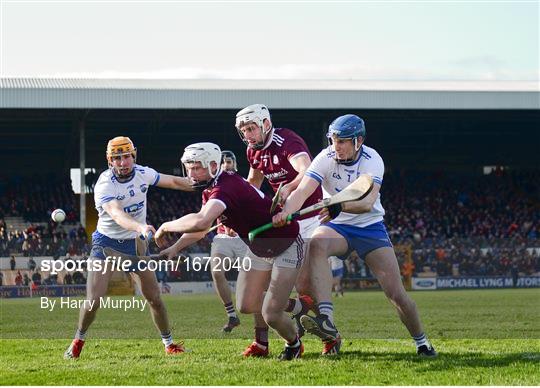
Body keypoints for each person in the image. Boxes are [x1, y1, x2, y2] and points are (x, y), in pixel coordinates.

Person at [273, 114, 437, 357]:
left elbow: (368, 201)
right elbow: (303, 189)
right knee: (317, 243)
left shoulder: (372, 160)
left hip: (369, 226)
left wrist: (340, 206)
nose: (335, 146)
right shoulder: (326, 157)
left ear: (358, 141)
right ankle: (327, 320)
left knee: (396, 294)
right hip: (337, 225)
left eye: (342, 141)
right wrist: (287, 210)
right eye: (333, 140)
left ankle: (422, 342)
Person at [156, 142, 306, 360]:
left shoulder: (225, 186)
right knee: (246, 305)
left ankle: (294, 344)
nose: (191, 174)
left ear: (214, 165)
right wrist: (175, 247)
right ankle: (297, 305)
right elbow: (204, 228)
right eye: (188, 168)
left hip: (286, 242)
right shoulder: (210, 189)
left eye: (197, 168)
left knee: (271, 314)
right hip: (260, 248)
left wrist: (165, 226)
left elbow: (201, 221)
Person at [64, 136, 194, 359]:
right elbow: (116, 214)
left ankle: (169, 344)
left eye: (126, 157)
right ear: (109, 161)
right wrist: (140, 227)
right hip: (106, 245)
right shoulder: (105, 184)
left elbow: (174, 182)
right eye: (117, 158)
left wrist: (209, 183)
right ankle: (78, 340)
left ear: (134, 156)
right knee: (93, 299)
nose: (123, 163)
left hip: (135, 245)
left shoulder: (143, 173)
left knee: (154, 298)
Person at [235, 103, 321, 355]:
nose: (248, 135)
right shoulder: (253, 151)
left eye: (251, 128)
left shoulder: (288, 141)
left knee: (305, 285)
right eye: (244, 131)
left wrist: (288, 186)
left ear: (265, 124)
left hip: (309, 216)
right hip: (281, 219)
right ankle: (262, 342)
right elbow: (254, 182)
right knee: (259, 285)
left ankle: (329, 333)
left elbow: (308, 170)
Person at [207, 150, 244, 332]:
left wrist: (236, 225)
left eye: (230, 162)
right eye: (224, 163)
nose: (227, 165)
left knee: (258, 282)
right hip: (222, 237)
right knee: (217, 271)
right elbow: (207, 215)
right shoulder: (208, 189)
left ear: (234, 164)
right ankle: (231, 315)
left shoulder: (240, 183)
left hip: (243, 238)